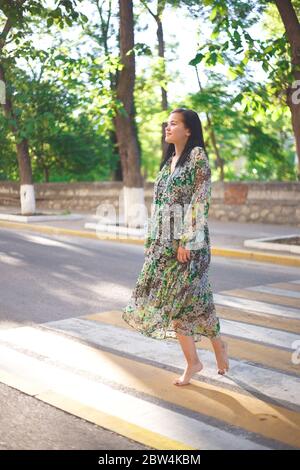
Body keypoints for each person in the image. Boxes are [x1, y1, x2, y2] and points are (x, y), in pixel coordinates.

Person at [122, 107, 229, 386]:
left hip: (188, 245)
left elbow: (200, 199)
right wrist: (151, 242)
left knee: (187, 303)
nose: (167, 128)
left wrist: (187, 241)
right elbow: (158, 207)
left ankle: (211, 350)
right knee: (182, 305)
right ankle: (198, 359)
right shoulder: (169, 160)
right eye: (166, 124)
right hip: (164, 244)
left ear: (189, 129)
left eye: (174, 124)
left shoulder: (197, 157)